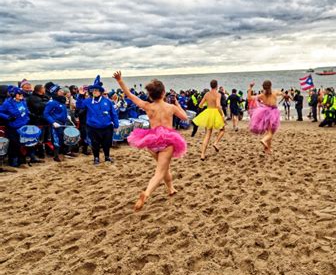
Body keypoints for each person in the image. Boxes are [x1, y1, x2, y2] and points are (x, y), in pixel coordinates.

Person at [113, 71, 187, 211]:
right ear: (163, 93)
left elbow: (130, 95)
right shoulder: (170, 107)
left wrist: (120, 81)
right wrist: (177, 104)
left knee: (164, 168)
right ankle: (146, 194)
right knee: (159, 172)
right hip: (167, 140)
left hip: (152, 141)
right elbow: (184, 117)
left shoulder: (148, 106)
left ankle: (171, 188)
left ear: (151, 95)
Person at [76, 76, 119, 165]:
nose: (94, 92)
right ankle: (96, 158)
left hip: (107, 127)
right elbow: (79, 106)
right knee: (95, 144)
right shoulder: (87, 101)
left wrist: (116, 125)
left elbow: (113, 113)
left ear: (101, 92)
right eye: (93, 90)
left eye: (96, 90)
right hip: (92, 127)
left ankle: (107, 157)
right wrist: (80, 95)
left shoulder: (108, 101)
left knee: (106, 143)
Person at [192, 80, 226, 160]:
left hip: (208, 112)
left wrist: (206, 106)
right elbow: (218, 105)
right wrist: (222, 114)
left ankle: (202, 154)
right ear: (217, 86)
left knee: (207, 135)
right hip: (215, 113)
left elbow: (200, 105)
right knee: (222, 129)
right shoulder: (218, 94)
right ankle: (216, 143)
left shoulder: (207, 94)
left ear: (210, 86)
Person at [247, 80, 282, 154]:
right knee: (271, 133)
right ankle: (263, 140)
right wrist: (284, 93)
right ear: (270, 86)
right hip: (273, 113)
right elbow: (281, 93)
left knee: (268, 131)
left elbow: (249, 98)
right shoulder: (274, 92)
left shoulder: (262, 95)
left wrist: (250, 87)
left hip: (264, 113)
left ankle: (268, 149)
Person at [44, 84, 76, 161]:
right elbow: (46, 113)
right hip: (56, 124)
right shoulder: (52, 102)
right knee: (56, 140)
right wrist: (53, 122)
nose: (62, 91)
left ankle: (63, 152)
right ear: (55, 92)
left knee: (62, 139)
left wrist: (67, 116)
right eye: (59, 90)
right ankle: (56, 156)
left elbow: (63, 110)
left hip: (63, 123)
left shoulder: (61, 100)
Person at [0, 87, 31, 167]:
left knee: (22, 144)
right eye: (19, 94)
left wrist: (28, 118)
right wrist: (7, 117)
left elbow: (26, 111)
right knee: (14, 144)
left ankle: (21, 160)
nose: (21, 95)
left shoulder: (23, 101)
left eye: (22, 94)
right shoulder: (7, 103)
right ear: (14, 94)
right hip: (13, 127)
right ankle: (13, 161)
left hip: (23, 126)